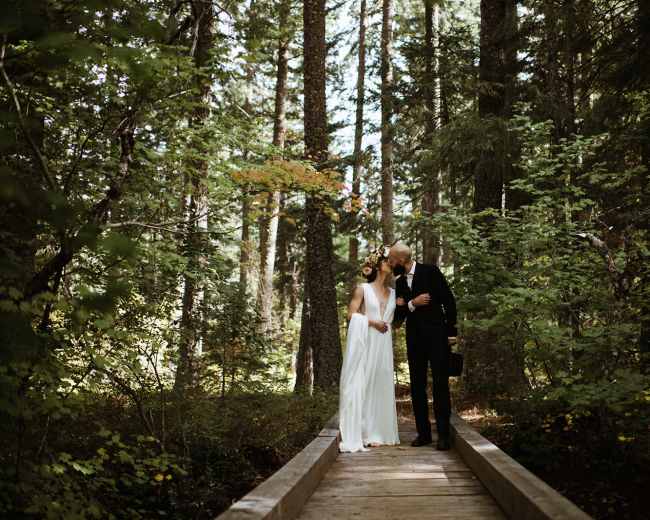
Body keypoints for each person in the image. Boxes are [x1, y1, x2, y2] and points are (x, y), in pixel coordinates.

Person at [388, 242, 457, 451]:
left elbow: (449, 301)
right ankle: (424, 434)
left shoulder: (431, 272)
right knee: (417, 387)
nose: (390, 264)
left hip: (437, 337)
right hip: (414, 340)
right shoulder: (399, 283)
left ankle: (443, 435)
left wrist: (452, 333)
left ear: (401, 260)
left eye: (392, 260)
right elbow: (399, 318)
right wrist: (411, 304)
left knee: (440, 384)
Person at [338, 245, 400, 453]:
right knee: (364, 383)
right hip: (367, 340)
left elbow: (397, 319)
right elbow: (350, 315)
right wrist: (373, 323)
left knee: (380, 384)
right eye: (385, 261)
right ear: (376, 266)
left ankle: (380, 432)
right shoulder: (362, 289)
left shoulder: (393, 293)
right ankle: (364, 432)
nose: (389, 264)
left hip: (383, 345)